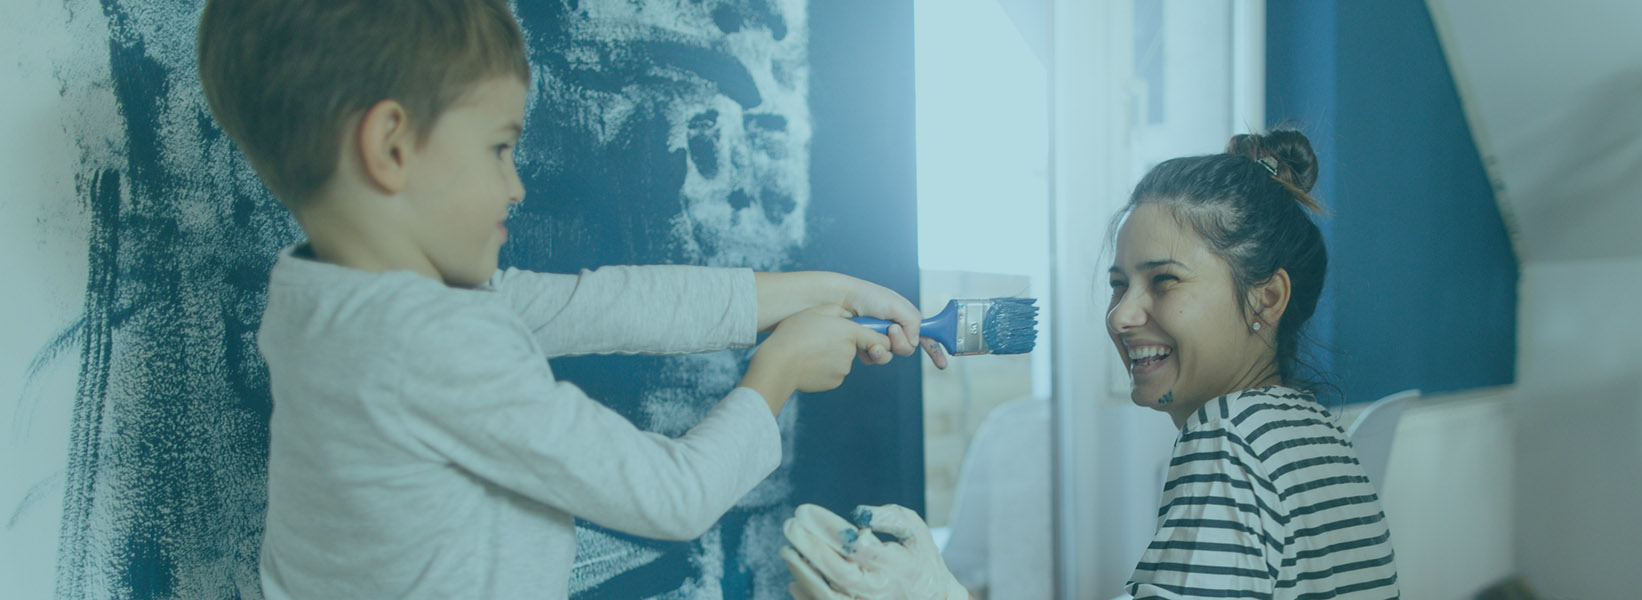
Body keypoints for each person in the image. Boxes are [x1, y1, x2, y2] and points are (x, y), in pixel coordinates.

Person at [195, 1, 927, 597]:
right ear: (391, 146)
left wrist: (825, 290)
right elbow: (672, 496)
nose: (516, 186)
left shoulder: (322, 301)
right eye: (498, 148)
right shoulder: (433, 344)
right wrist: (780, 370)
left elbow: (609, 305)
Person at [782, 128, 1401, 599]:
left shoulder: (1228, 440)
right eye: (1118, 284)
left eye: (1164, 281)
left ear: (1266, 298)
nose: (1121, 315)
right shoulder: (1317, 433)